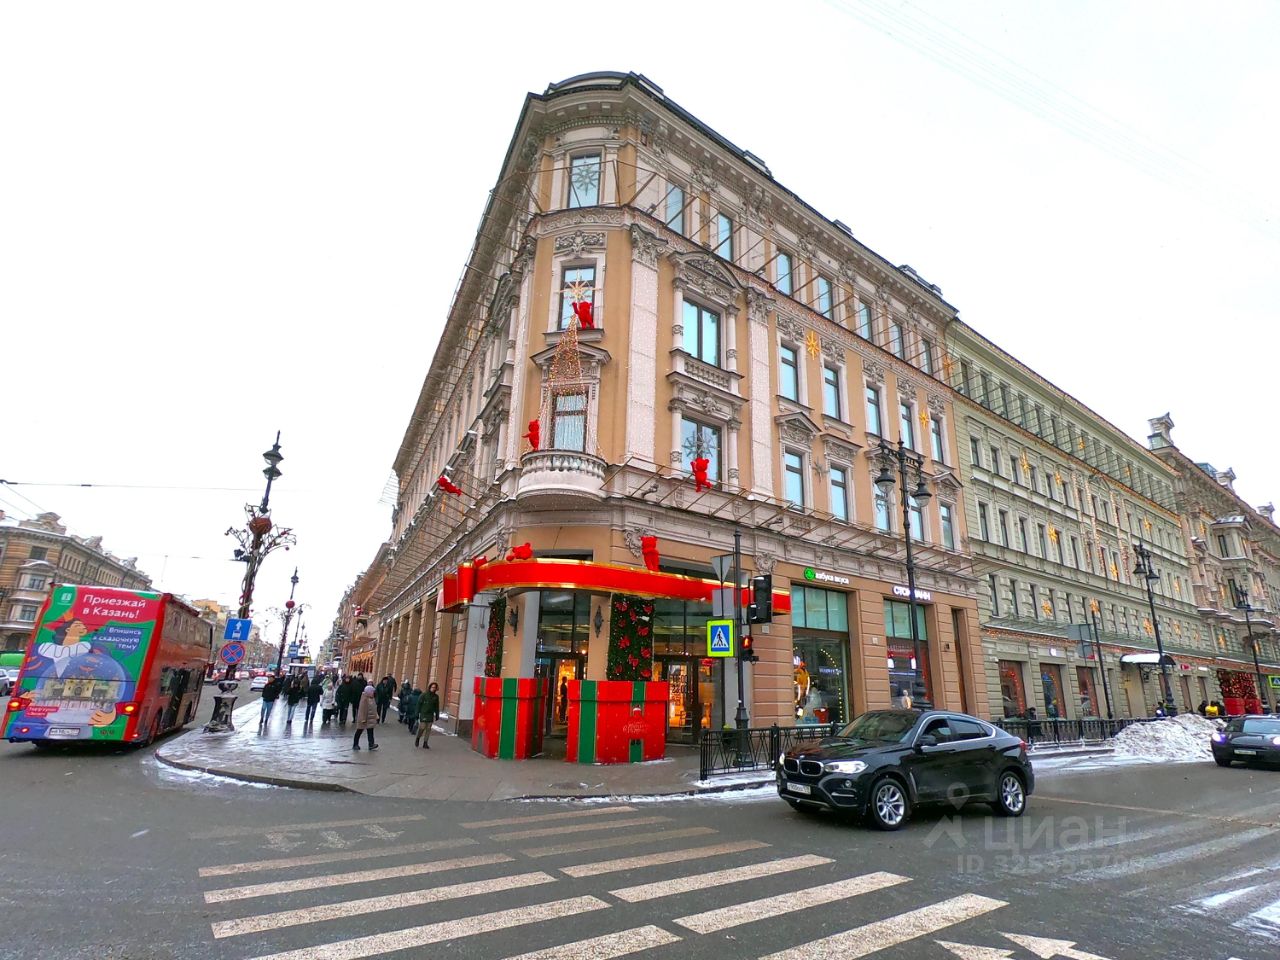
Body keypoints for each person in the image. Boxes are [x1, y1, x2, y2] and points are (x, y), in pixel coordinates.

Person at [352, 683, 379, 751]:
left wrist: (376, 715)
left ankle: (371, 744)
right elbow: (362, 709)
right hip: (364, 719)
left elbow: (374, 708)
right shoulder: (364, 699)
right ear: (368, 692)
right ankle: (355, 744)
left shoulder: (372, 698)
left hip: (370, 719)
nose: (373, 693)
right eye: (372, 692)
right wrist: (363, 719)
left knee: (370, 732)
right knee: (359, 731)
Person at [416, 681, 441, 748]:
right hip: (424, 713)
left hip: (430, 714)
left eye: (434, 687)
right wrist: (417, 714)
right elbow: (418, 704)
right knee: (422, 727)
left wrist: (437, 714)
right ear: (429, 687)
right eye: (432, 687)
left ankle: (425, 743)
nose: (433, 689)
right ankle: (418, 738)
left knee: (428, 729)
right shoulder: (424, 695)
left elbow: (437, 706)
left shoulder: (436, 697)